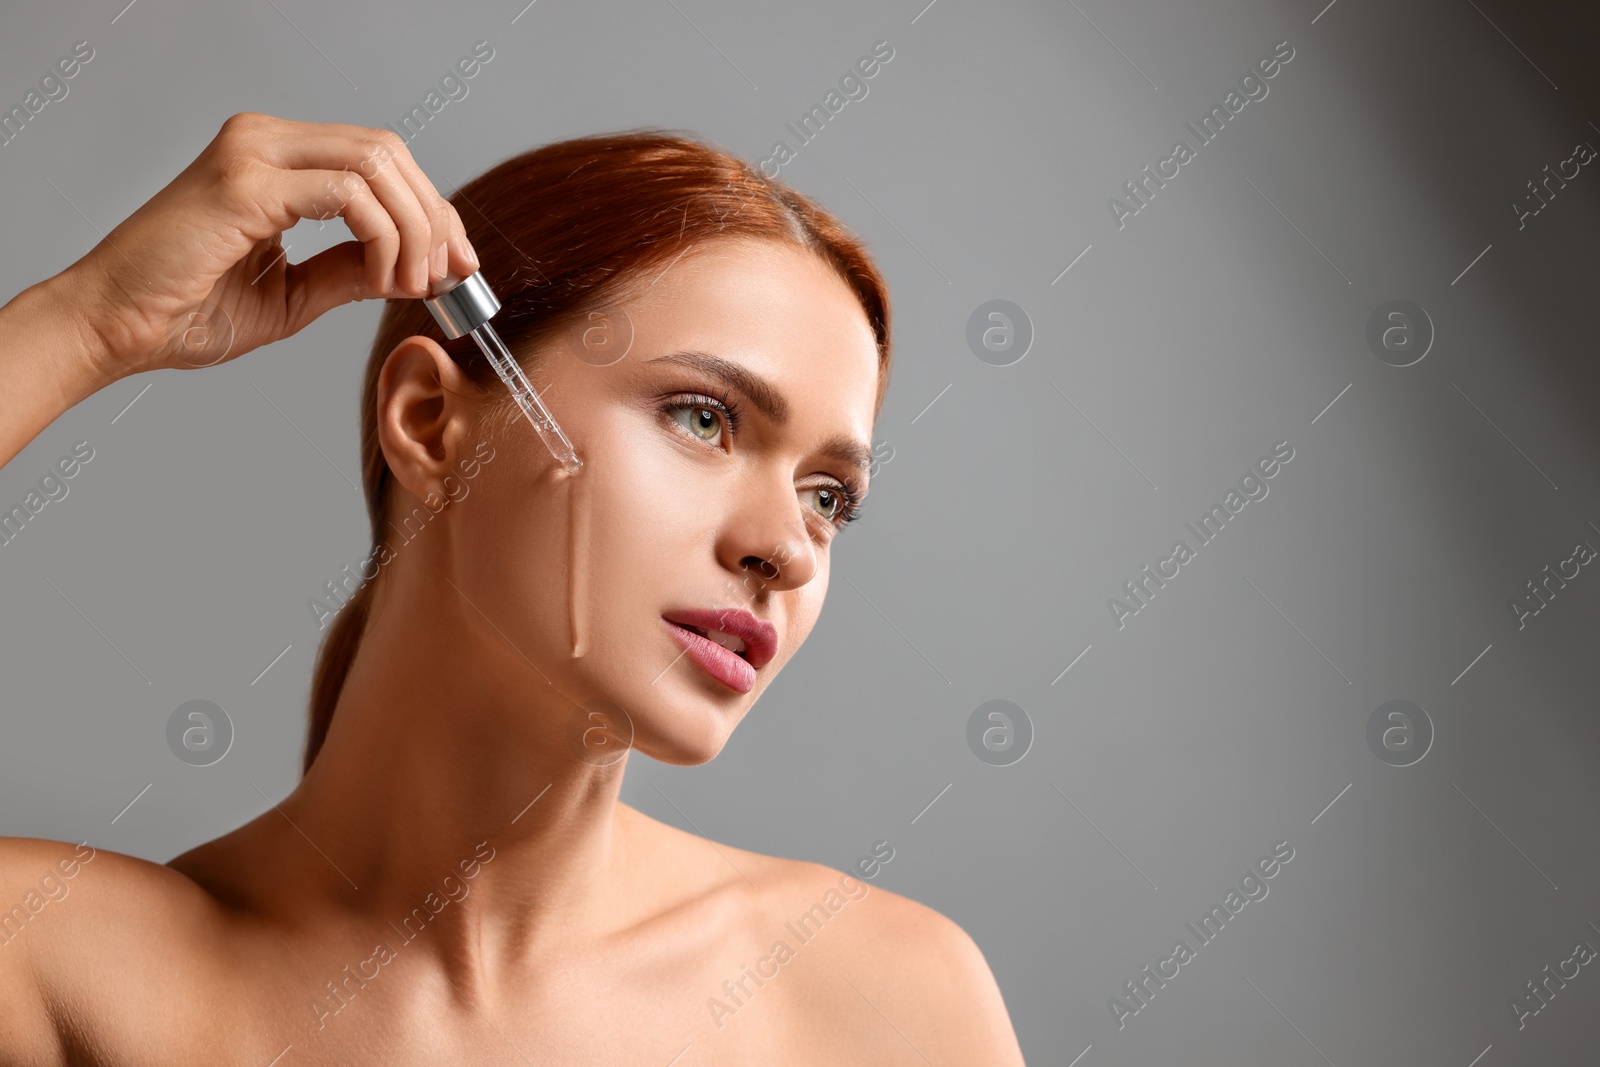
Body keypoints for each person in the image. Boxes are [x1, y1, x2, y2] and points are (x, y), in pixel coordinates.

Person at [0, 112, 1025, 1064]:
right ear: (431, 423)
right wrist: (84, 322)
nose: (788, 551)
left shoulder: (882, 1001)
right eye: (704, 418)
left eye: (827, 497)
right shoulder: (60, 966)